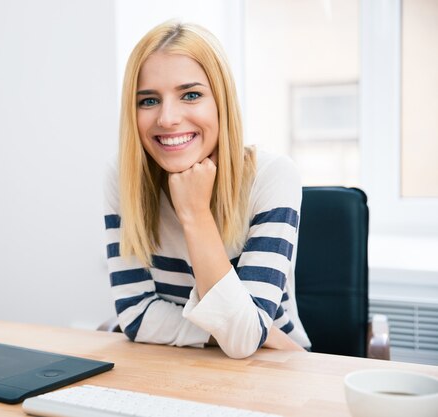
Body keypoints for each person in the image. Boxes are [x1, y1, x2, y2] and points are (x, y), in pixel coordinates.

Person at [103, 20, 312, 359]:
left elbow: (244, 341)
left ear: (221, 102)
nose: (168, 118)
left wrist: (195, 213)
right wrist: (252, 332)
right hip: (180, 362)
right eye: (148, 100)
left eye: (191, 95)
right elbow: (135, 316)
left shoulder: (272, 176)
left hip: (276, 366)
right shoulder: (123, 176)